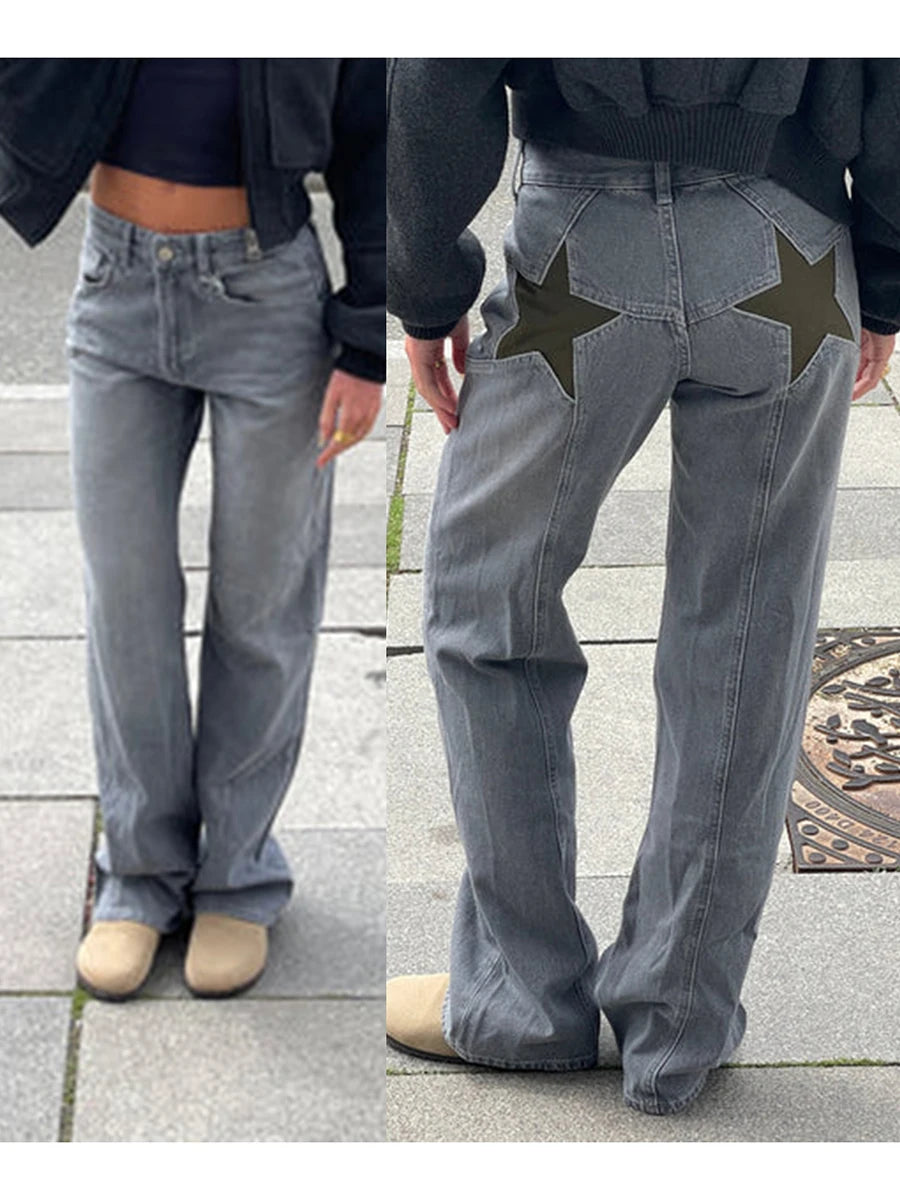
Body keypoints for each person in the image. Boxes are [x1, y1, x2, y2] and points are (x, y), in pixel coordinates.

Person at [385, 58, 899, 1115]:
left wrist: (423, 282)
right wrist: (890, 280)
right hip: (788, 250)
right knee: (748, 630)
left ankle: (526, 999)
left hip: (581, 250)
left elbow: (439, 68)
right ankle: (679, 1023)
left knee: (486, 607)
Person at [0, 58, 385, 1001]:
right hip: (115, 287)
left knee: (263, 603)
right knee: (124, 601)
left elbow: (377, 132)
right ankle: (139, 874)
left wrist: (368, 337)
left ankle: (237, 876)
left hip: (269, 300)